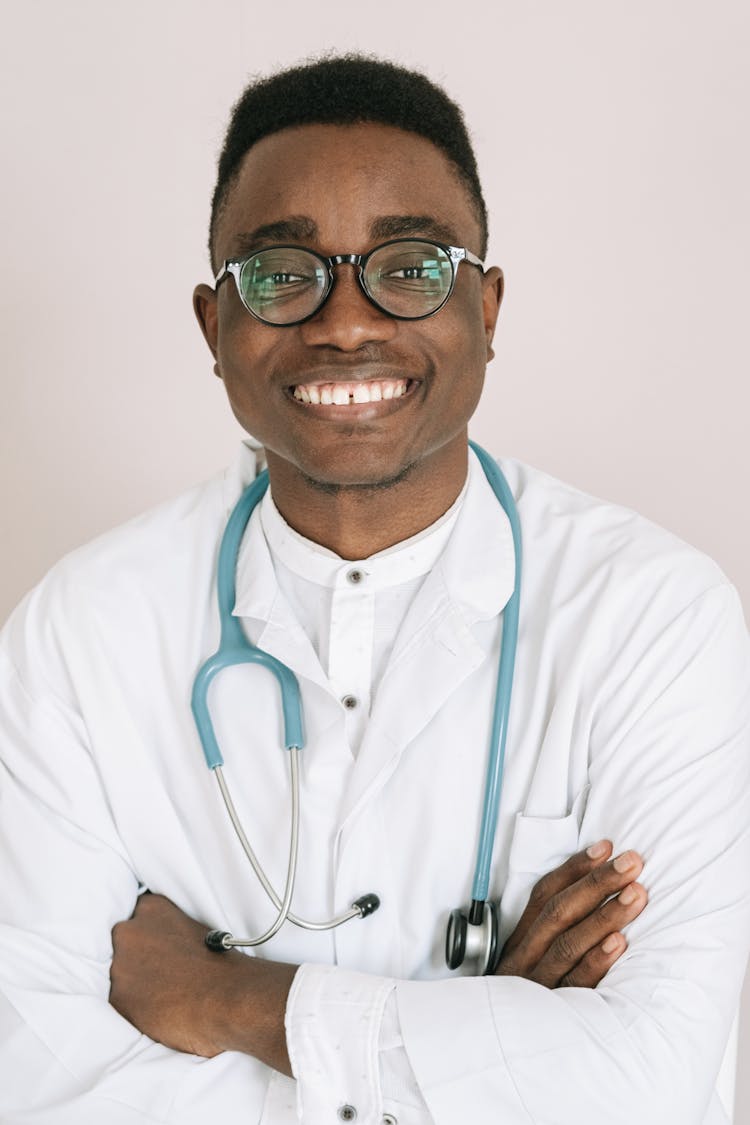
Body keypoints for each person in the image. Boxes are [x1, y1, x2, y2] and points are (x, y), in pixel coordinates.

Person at [0, 54, 748, 1125]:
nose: (345, 321)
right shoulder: (80, 637)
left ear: (486, 309)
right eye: (281, 274)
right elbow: (38, 1082)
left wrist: (227, 999)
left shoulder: (652, 617)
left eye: (410, 266)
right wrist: (491, 1037)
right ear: (215, 328)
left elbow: (647, 1083)